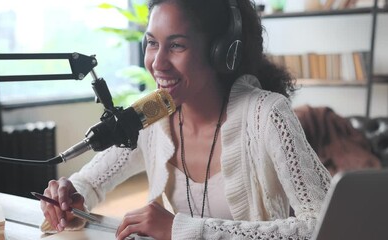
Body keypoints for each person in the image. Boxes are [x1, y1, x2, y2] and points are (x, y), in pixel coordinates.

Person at [40, 0, 332, 239]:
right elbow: (90, 182)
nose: (157, 63)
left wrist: (184, 230)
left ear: (221, 53)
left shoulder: (267, 116)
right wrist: (72, 194)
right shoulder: (152, 116)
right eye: (152, 43)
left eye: (176, 46)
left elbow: (325, 226)